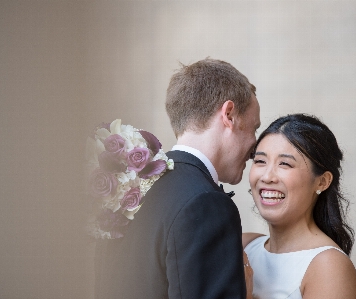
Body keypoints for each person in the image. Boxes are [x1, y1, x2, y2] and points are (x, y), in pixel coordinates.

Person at [95, 58, 261, 299]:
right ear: (229, 115)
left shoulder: (131, 190)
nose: (255, 146)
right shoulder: (206, 204)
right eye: (254, 128)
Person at [243, 113, 356, 298]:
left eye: (285, 164)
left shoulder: (328, 266)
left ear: (322, 182)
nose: (266, 177)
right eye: (260, 161)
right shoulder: (244, 245)